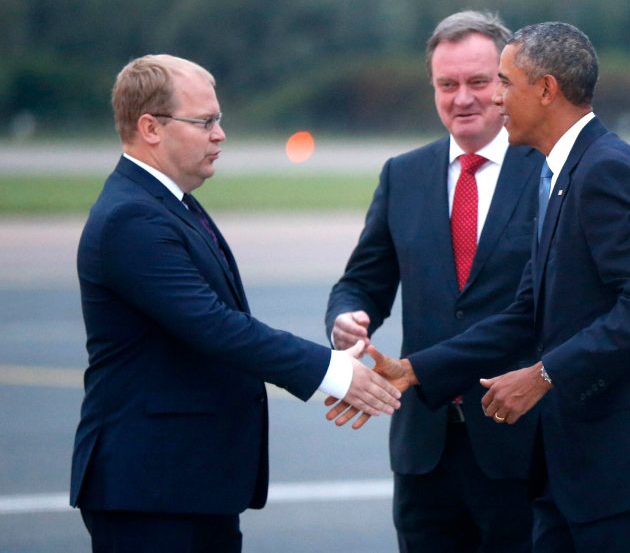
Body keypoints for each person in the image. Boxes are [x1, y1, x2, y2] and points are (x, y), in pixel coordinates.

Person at [332, 22, 630, 552]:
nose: (493, 97)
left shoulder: (604, 170)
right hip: (576, 471)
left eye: (503, 82)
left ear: (546, 89)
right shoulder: (561, 174)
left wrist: (542, 375)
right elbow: (526, 310)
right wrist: (416, 370)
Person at [70, 54, 401, 553]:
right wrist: (333, 372)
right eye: (205, 122)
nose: (220, 133)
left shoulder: (168, 202)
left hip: (187, 484)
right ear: (150, 128)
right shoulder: (132, 218)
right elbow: (213, 325)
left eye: (218, 119)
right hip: (152, 491)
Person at [325, 11, 543, 552]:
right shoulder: (404, 174)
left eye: (478, 82)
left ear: (507, 83)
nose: (461, 98)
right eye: (447, 84)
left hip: (524, 445)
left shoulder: (547, 171)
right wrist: (347, 318)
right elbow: (362, 280)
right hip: (425, 449)